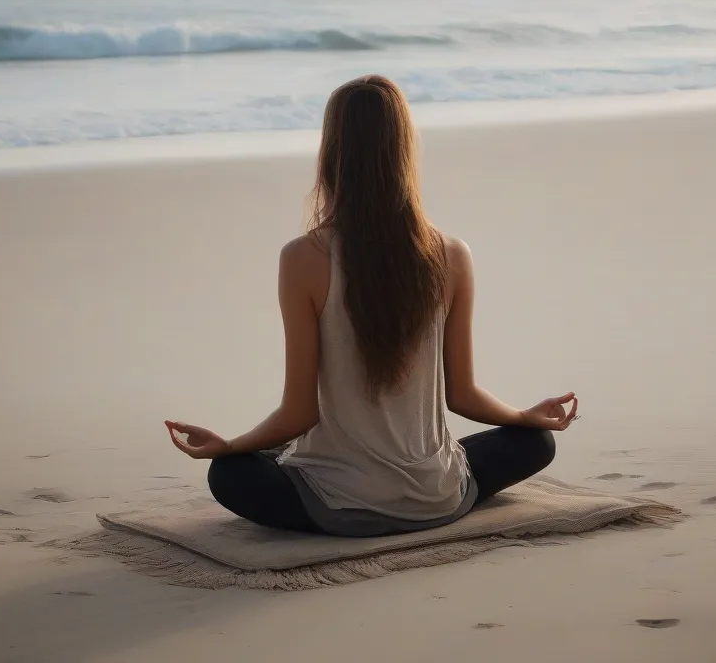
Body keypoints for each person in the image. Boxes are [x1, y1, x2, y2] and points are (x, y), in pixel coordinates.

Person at [165, 75, 578, 537]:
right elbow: (462, 396)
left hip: (343, 504)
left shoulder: (304, 257)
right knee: (534, 442)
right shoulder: (452, 254)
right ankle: (425, 483)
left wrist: (229, 446)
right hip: (438, 497)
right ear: (405, 152)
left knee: (231, 473)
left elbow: (298, 416)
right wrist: (523, 417)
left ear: (332, 153)